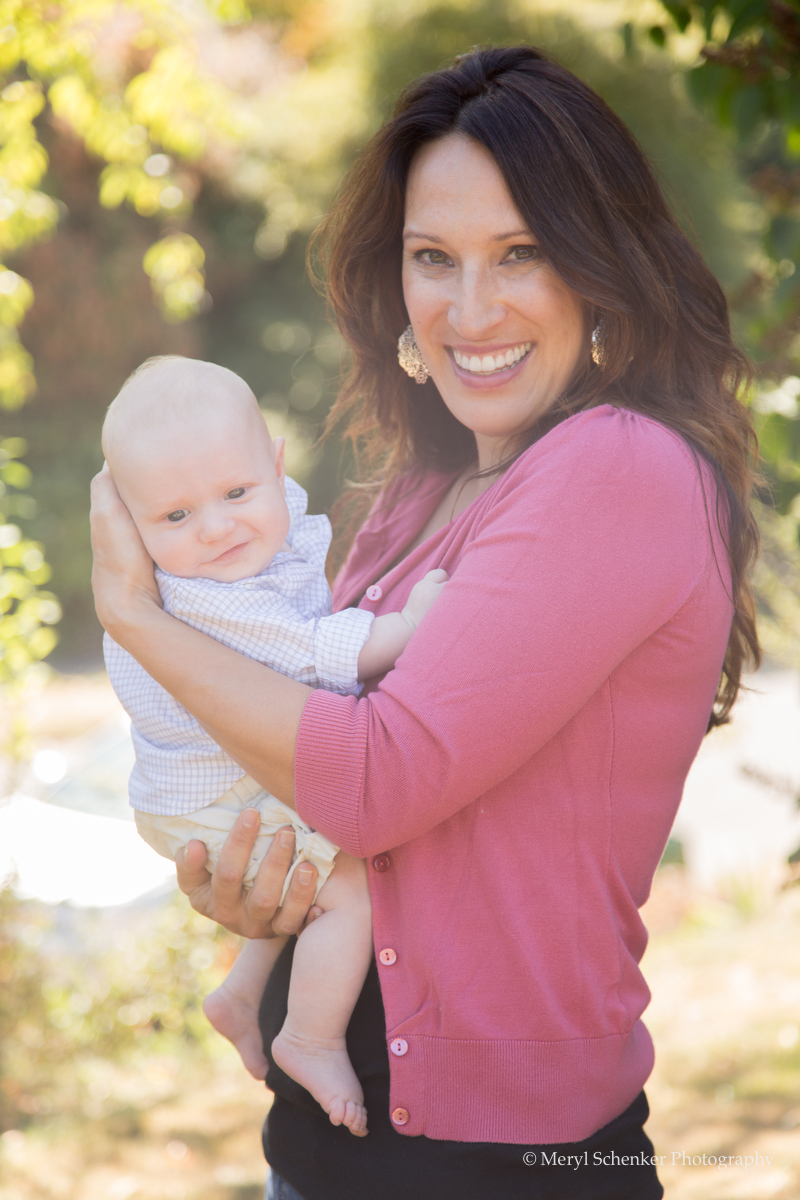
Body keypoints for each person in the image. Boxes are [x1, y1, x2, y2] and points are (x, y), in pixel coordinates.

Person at [90, 45, 761, 1200]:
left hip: (502, 1168)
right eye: (431, 259)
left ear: (600, 266)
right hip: (319, 1145)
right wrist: (256, 889)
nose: (469, 308)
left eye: (521, 255)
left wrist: (135, 616)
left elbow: (366, 784)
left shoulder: (618, 469)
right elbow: (314, 773)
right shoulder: (420, 487)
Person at [100, 355, 447, 1137]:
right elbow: (307, 650)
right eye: (175, 517)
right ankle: (309, 1036)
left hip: (224, 784)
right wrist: (410, 628)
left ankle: (239, 993)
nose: (217, 528)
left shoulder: (244, 532)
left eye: (235, 494)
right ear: (127, 522)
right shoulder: (200, 595)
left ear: (277, 466)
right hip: (212, 799)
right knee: (348, 885)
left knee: (305, 869)